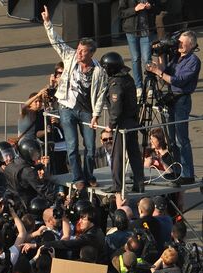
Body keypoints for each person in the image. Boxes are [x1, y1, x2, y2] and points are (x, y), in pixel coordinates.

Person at [41, 5, 108, 190]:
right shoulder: (70, 57)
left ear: (91, 53)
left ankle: (89, 174)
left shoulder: (98, 71)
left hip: (87, 111)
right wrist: (47, 23)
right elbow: (57, 42)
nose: (79, 52)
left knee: (90, 147)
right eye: (78, 49)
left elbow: (101, 94)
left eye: (83, 51)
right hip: (67, 108)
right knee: (71, 145)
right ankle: (78, 177)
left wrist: (96, 114)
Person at [146, 30, 201, 185]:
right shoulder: (176, 57)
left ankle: (187, 174)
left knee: (181, 139)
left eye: (182, 42)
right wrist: (161, 54)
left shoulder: (193, 61)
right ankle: (176, 170)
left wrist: (157, 71)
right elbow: (165, 71)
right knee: (171, 139)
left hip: (182, 100)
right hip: (171, 99)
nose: (179, 45)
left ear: (190, 44)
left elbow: (178, 81)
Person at [99, 52, 145, 194]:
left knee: (117, 155)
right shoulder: (127, 78)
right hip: (132, 122)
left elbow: (116, 108)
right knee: (134, 154)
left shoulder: (116, 84)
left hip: (122, 124)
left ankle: (117, 185)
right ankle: (139, 183)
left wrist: (111, 125)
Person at [119, 0, 158, 97]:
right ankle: (138, 86)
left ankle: (150, 86)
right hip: (132, 31)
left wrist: (151, 7)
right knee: (135, 58)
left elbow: (158, 8)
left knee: (146, 59)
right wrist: (135, 9)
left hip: (147, 30)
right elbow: (121, 13)